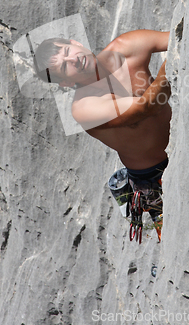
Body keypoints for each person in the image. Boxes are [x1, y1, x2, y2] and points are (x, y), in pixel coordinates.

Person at [34, 29, 172, 242]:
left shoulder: (126, 46)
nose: (73, 59)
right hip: (153, 175)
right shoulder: (84, 108)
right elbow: (147, 107)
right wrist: (174, 61)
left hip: (180, 136)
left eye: (68, 51)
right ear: (66, 83)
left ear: (76, 42)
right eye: (64, 66)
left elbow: (179, 35)